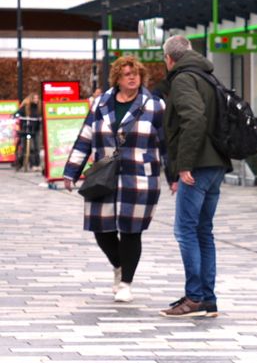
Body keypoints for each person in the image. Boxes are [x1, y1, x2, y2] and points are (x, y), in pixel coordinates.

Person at [62, 56, 167, 303]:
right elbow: (85, 138)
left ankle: (126, 283)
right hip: (103, 174)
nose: (132, 77)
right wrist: (71, 171)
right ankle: (119, 265)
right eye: (127, 74)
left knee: (131, 231)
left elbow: (166, 144)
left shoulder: (154, 106)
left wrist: (175, 175)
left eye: (136, 73)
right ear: (117, 78)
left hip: (140, 176)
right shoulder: (101, 103)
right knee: (100, 228)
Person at [159, 34, 231, 318]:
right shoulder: (210, 76)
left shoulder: (183, 79)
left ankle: (194, 298)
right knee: (203, 231)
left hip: (198, 167)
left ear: (169, 58)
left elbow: (194, 119)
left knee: (185, 230)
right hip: (215, 165)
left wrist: (184, 165)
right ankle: (207, 298)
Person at [15, 93, 41, 171]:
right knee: (27, 148)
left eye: (37, 98)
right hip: (25, 129)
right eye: (34, 98)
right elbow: (18, 113)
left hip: (35, 130)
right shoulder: (25, 107)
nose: (36, 100)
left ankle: (37, 164)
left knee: (36, 148)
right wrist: (16, 115)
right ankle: (28, 164)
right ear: (31, 99)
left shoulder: (39, 107)